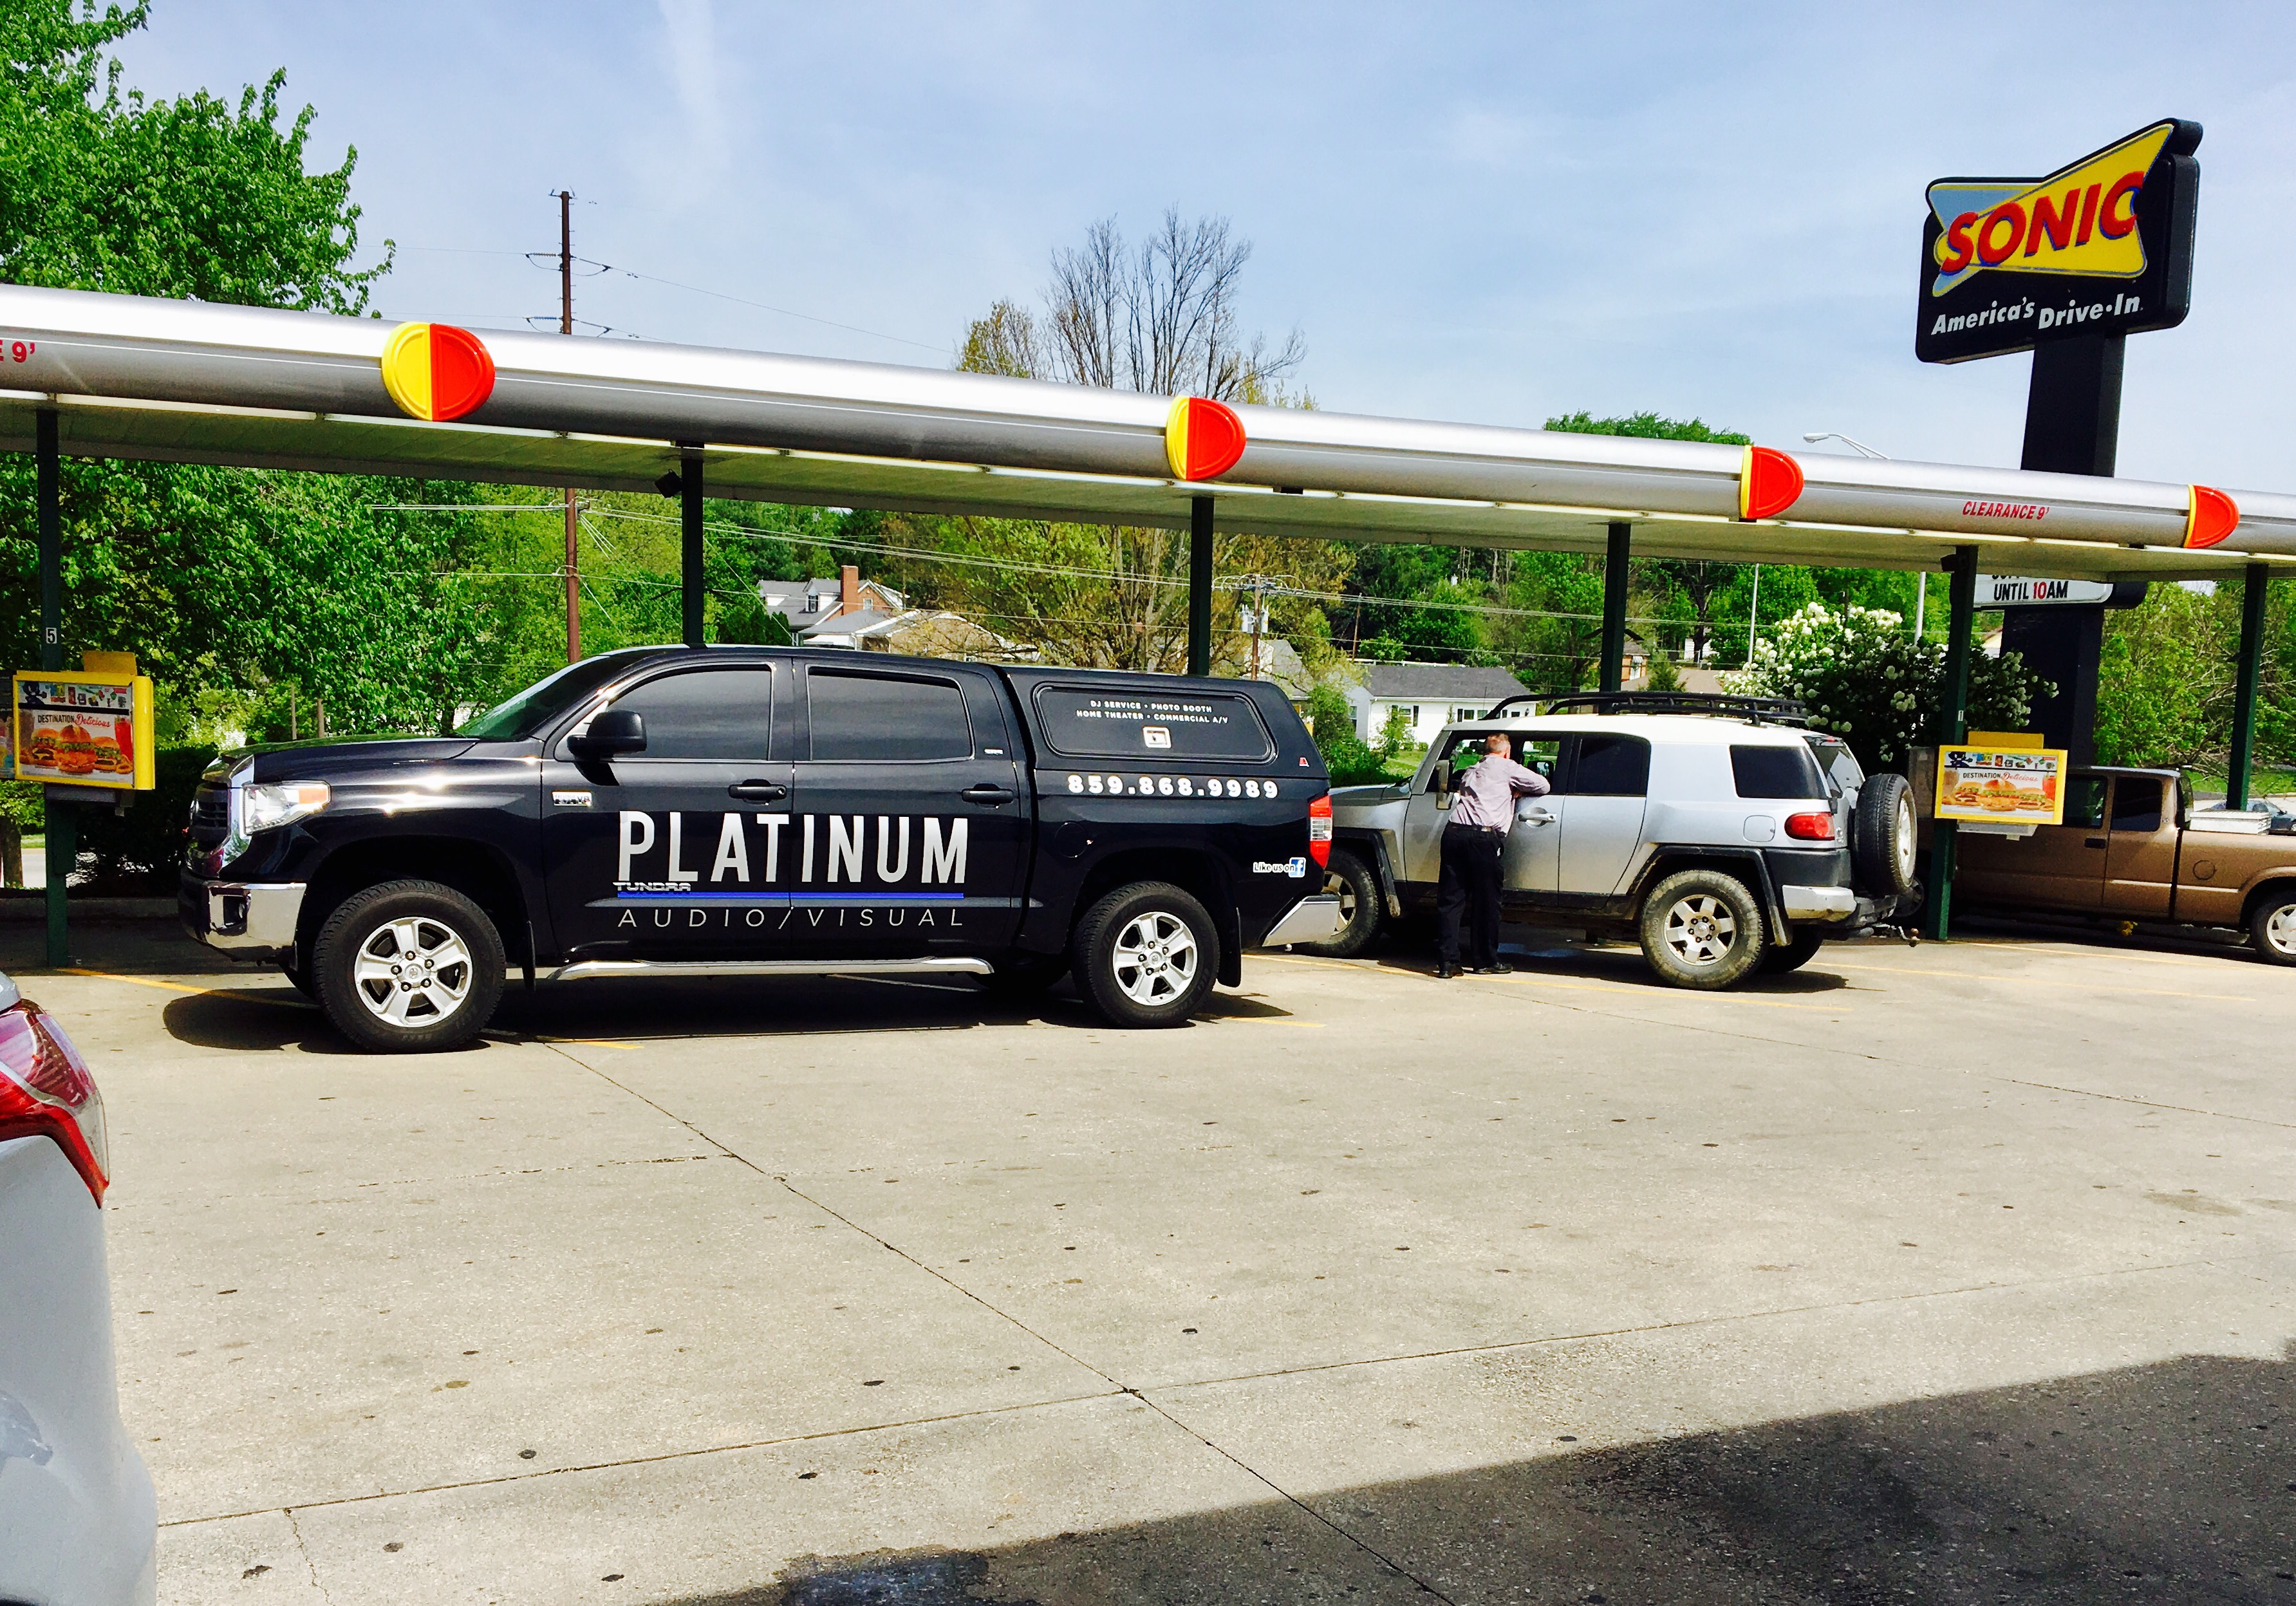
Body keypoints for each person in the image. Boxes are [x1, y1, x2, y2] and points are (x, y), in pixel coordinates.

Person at [1436, 732, 1549, 978]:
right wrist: (1517, 790)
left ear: (1485, 751)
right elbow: (1543, 785)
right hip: (1483, 839)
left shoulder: (1471, 770)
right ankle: (1485, 960)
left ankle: (1447, 963)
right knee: (1487, 902)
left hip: (1454, 833)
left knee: (1451, 901)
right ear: (1506, 752)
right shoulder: (1508, 768)